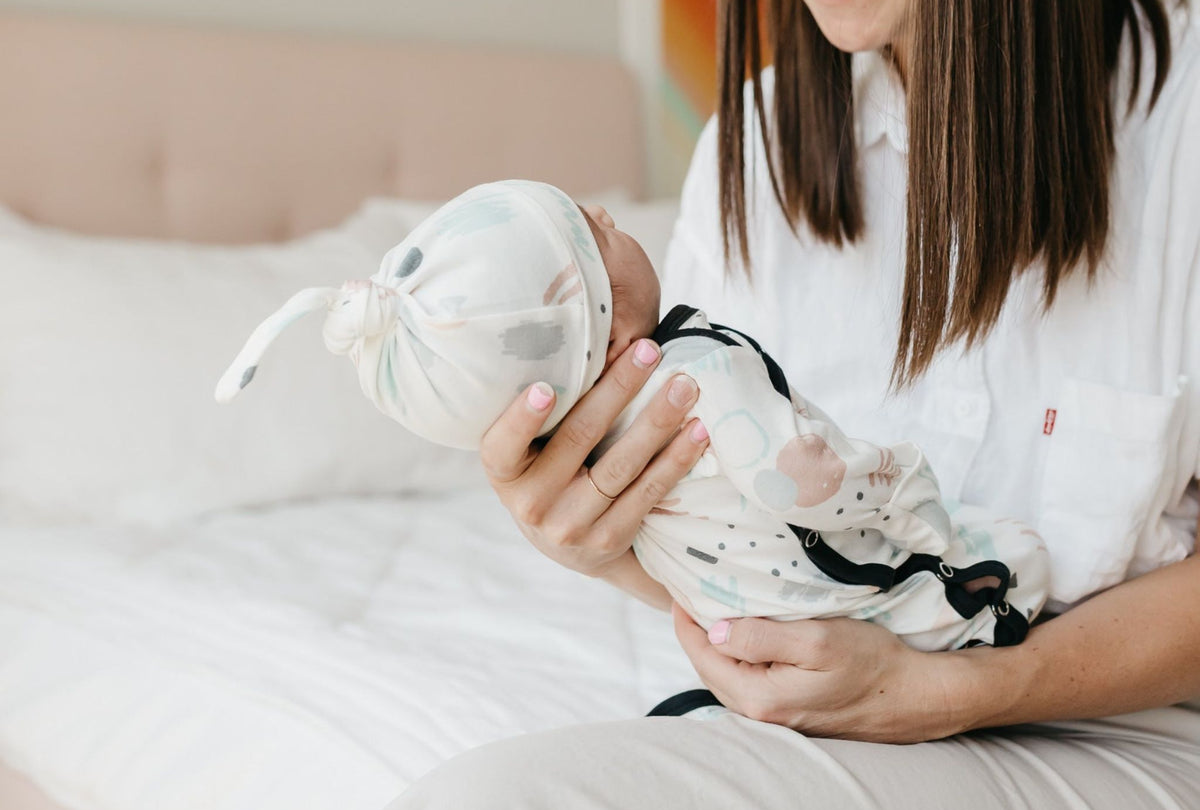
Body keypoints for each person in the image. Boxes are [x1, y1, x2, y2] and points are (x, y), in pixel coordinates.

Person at [346, 0, 1200, 810]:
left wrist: (965, 690)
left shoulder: (1181, 129)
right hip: (839, 742)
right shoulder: (755, 142)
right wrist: (613, 539)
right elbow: (754, 552)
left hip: (1129, 743)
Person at [218, 178, 1048, 652]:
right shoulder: (695, 372)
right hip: (831, 599)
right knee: (988, 568)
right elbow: (801, 479)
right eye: (595, 229)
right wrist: (900, 482)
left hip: (742, 628)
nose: (613, 215)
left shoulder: (597, 443)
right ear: (612, 321)